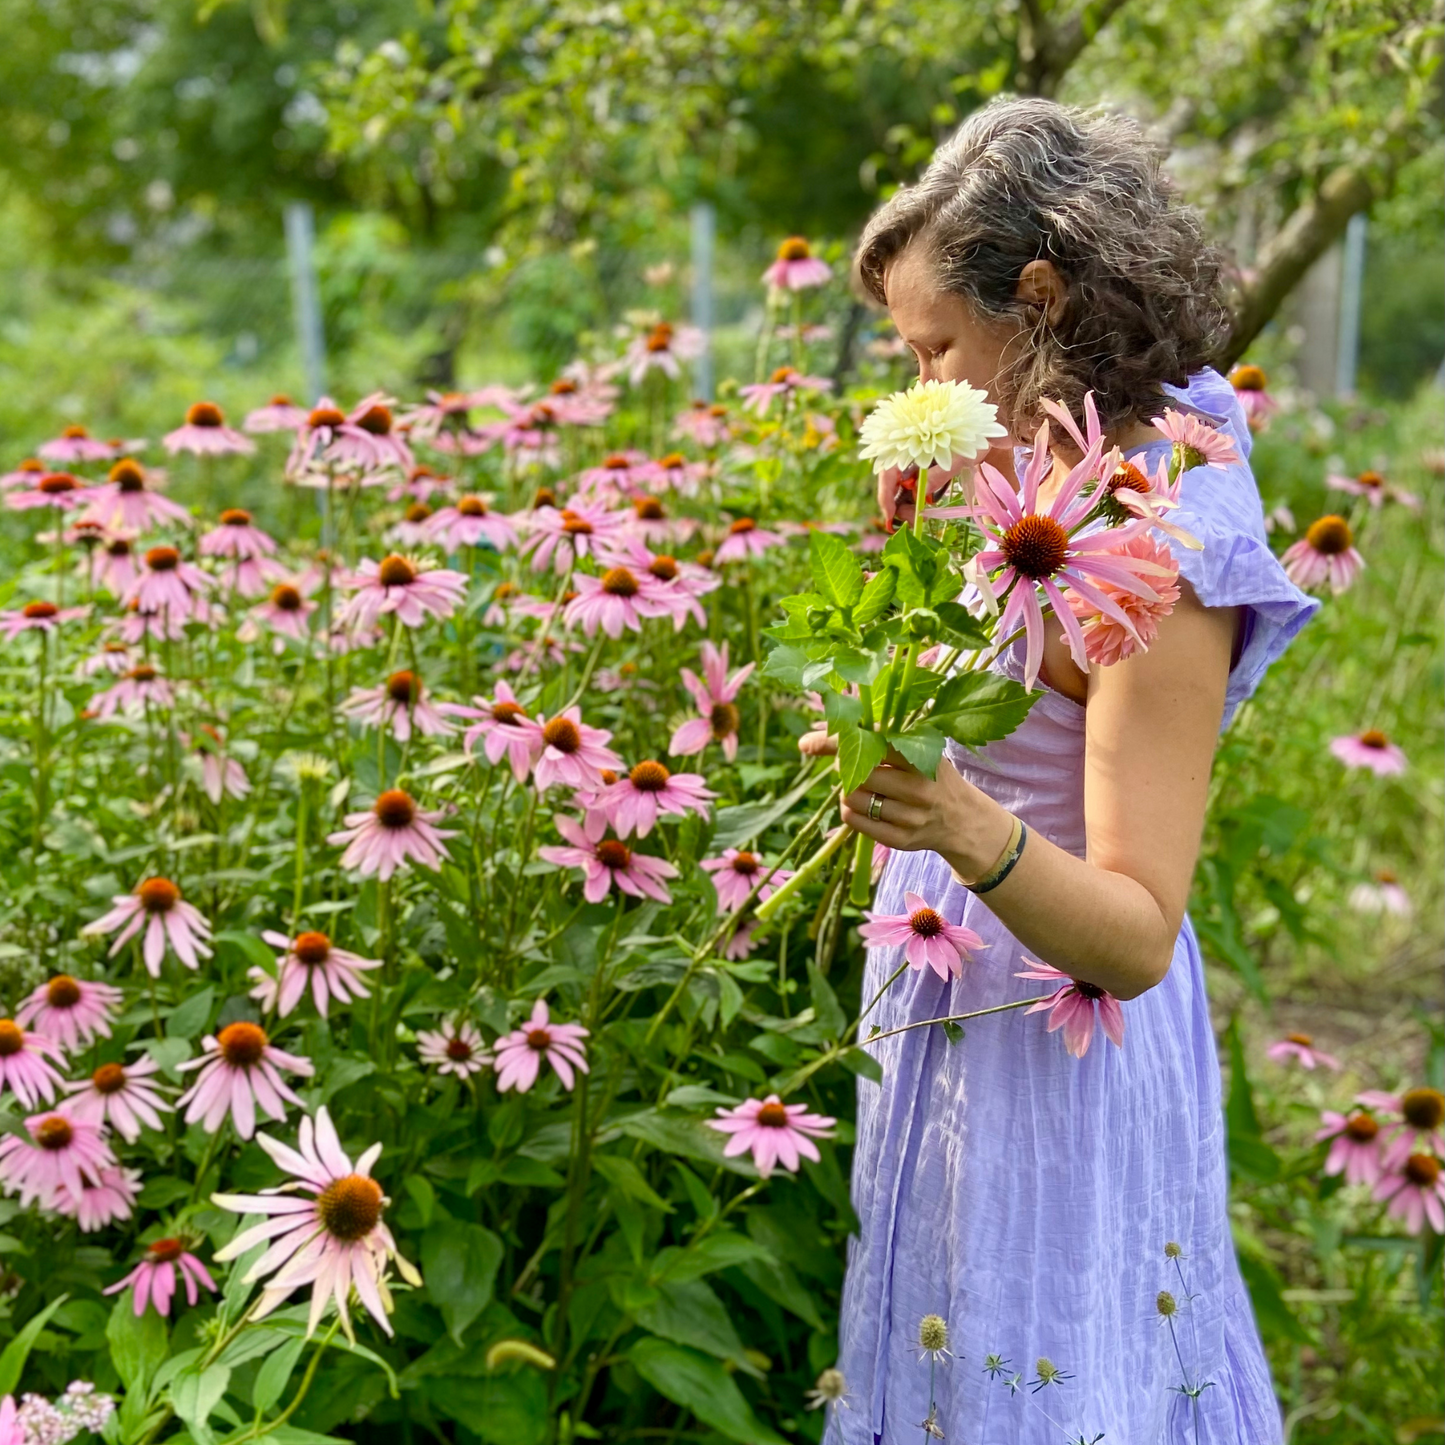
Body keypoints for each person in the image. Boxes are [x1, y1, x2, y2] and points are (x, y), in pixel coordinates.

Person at [803, 96, 1318, 1443]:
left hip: (1059, 1053)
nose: (918, 385)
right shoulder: (1039, 453)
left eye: (937, 347)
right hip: (941, 1005)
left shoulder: (1164, 537)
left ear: (1039, 300)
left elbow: (1139, 934)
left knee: (1050, 1395)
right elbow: (1004, 716)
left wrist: (958, 821)